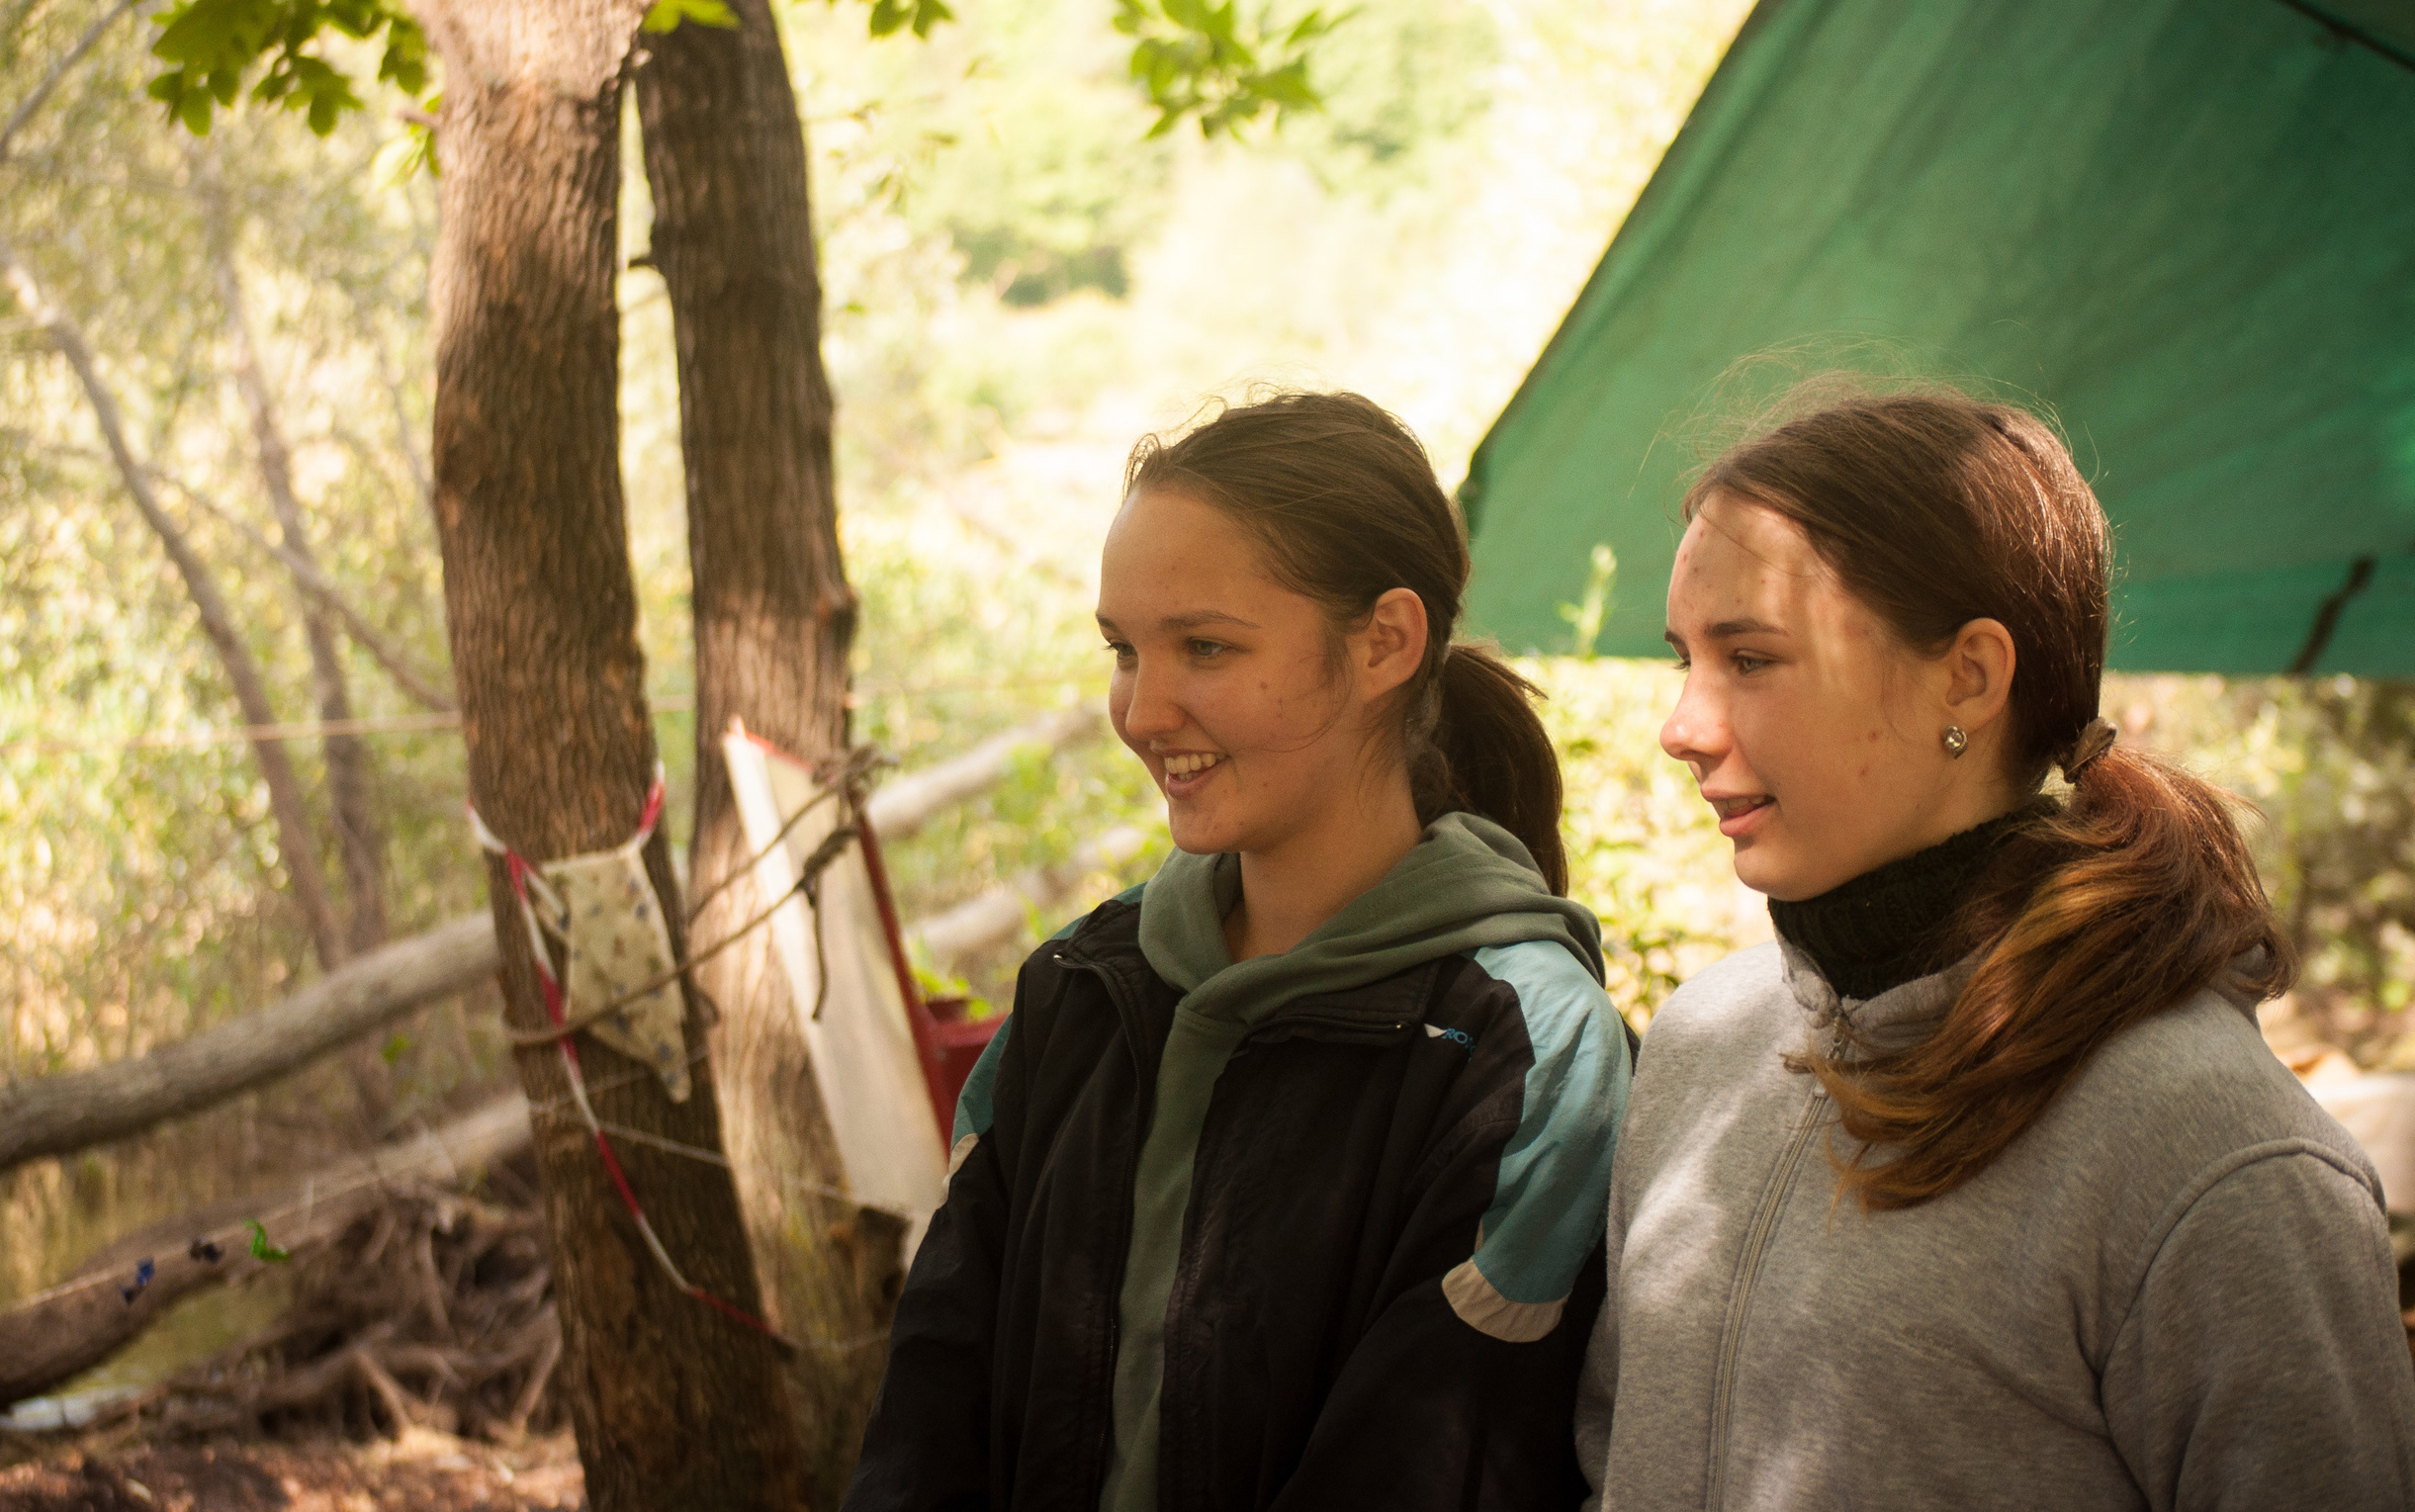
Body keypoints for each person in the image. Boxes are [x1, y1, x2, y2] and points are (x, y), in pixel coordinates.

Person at [1576, 387, 2415, 1509]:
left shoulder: (2215, 1155)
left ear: (1967, 676)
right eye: (1684, 656)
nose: (1681, 724)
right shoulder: (1696, 1045)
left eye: (1751, 658)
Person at [846, 391, 1632, 1511]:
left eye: (1205, 647)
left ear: (1385, 643)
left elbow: (1432, 1461)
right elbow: (930, 1410)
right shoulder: (1077, 989)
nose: (1143, 708)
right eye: (1125, 649)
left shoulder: (1522, 1051)